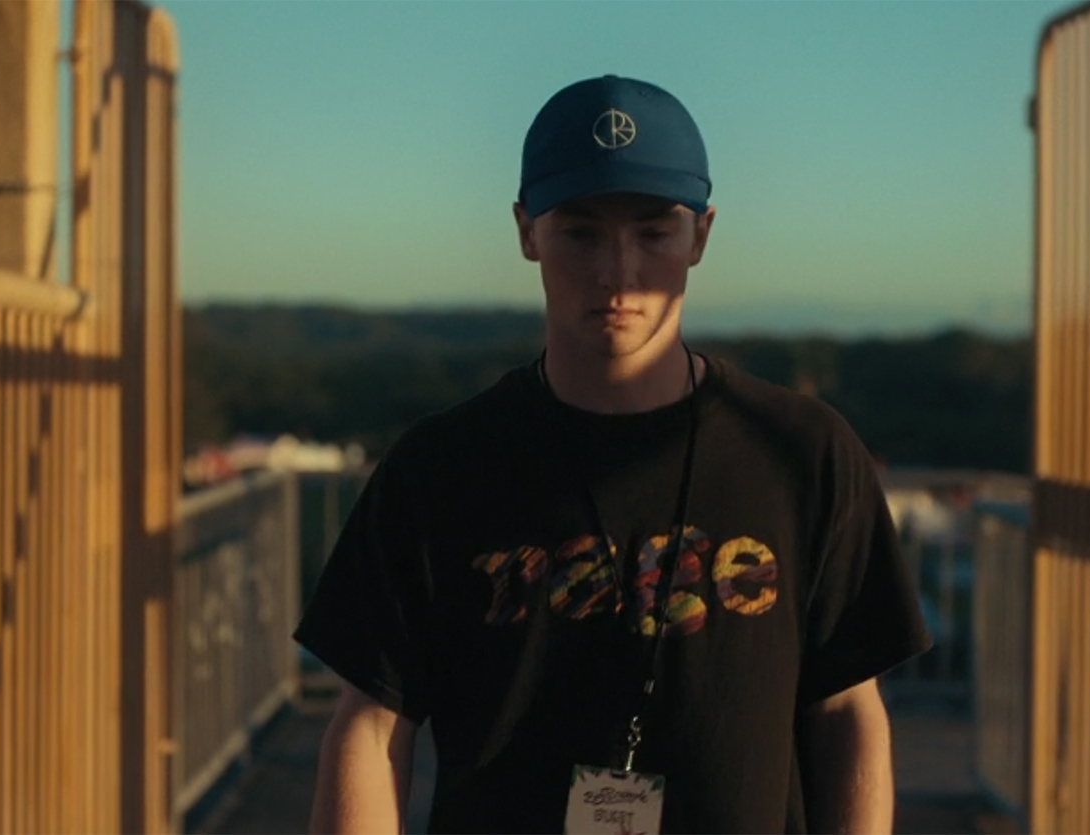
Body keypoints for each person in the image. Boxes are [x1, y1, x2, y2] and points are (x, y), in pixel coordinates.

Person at [295, 74, 931, 834]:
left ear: (702, 232)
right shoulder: (439, 467)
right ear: (527, 229)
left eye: (653, 231)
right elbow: (370, 727)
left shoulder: (803, 453)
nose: (617, 270)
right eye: (582, 230)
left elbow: (847, 713)